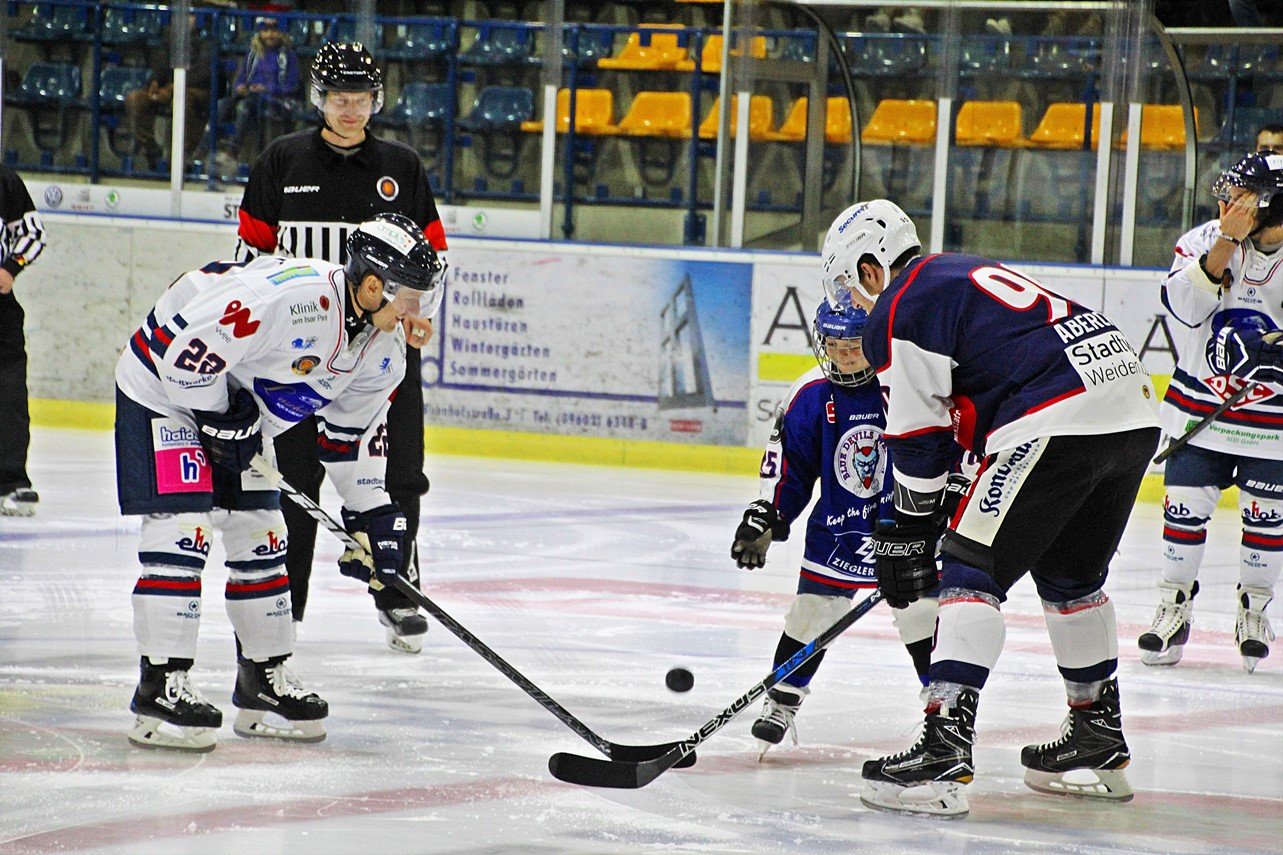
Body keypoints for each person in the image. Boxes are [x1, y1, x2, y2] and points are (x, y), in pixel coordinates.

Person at [820, 200, 1160, 818]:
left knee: (969, 570)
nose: (854, 302)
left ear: (871, 269)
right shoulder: (955, 273)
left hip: (1056, 415)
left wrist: (907, 532)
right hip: (1130, 406)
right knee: (1071, 579)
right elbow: (984, 403)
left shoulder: (901, 305)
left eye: (850, 284)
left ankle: (944, 745)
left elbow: (920, 442)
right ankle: (1096, 736)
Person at [115, 214, 446, 752]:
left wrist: (378, 522)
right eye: (410, 297)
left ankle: (261, 682)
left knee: (264, 534)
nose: (419, 312)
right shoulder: (285, 299)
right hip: (165, 391)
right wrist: (220, 413)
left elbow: (349, 444)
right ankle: (160, 685)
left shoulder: (384, 352)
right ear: (371, 286)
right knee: (186, 527)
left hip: (238, 408)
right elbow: (182, 355)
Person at [235, 41, 448, 654]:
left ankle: (396, 593)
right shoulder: (282, 160)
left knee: (400, 474)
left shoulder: (400, 167)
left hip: (381, 350)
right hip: (299, 355)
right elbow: (252, 259)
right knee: (295, 479)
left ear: (375, 101)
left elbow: (432, 259)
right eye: (337, 98)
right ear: (319, 100)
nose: (349, 109)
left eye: (359, 99)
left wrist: (412, 316)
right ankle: (287, 606)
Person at [732, 295, 942, 757]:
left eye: (855, 345)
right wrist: (768, 515)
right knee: (810, 613)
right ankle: (782, 702)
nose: (845, 356)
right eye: (835, 345)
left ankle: (942, 711)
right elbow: (792, 466)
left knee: (922, 615)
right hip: (840, 533)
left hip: (909, 528)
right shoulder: (810, 393)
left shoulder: (907, 383)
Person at [1140, 151, 1283, 673]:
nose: (1227, 203)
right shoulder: (1204, 239)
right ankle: (1172, 608)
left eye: (1242, 197)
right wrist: (1226, 242)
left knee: (1267, 521)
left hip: (1274, 425)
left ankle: (1254, 608)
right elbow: (1184, 308)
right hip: (1203, 410)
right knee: (1183, 512)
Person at [0, 167, 47, 516]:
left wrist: (11, 266)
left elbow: (33, 233)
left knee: (9, 390)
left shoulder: (4, 180)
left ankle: (12, 480)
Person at [123, 13, 211, 169]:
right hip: (169, 89)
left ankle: (181, 157)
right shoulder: (169, 39)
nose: (185, 19)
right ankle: (152, 150)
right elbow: (160, 65)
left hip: (196, 90)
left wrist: (174, 87)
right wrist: (155, 83)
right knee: (135, 99)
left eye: (190, 15)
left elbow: (204, 75)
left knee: (184, 101)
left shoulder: (207, 41)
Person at [215, 17, 299, 164]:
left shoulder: (288, 55)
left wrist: (268, 89)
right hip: (251, 96)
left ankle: (232, 151)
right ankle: (205, 151)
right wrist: (239, 87)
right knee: (221, 105)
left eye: (274, 31)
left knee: (244, 108)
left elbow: (292, 86)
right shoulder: (253, 54)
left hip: (274, 99)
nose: (270, 35)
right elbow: (242, 78)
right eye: (266, 31)